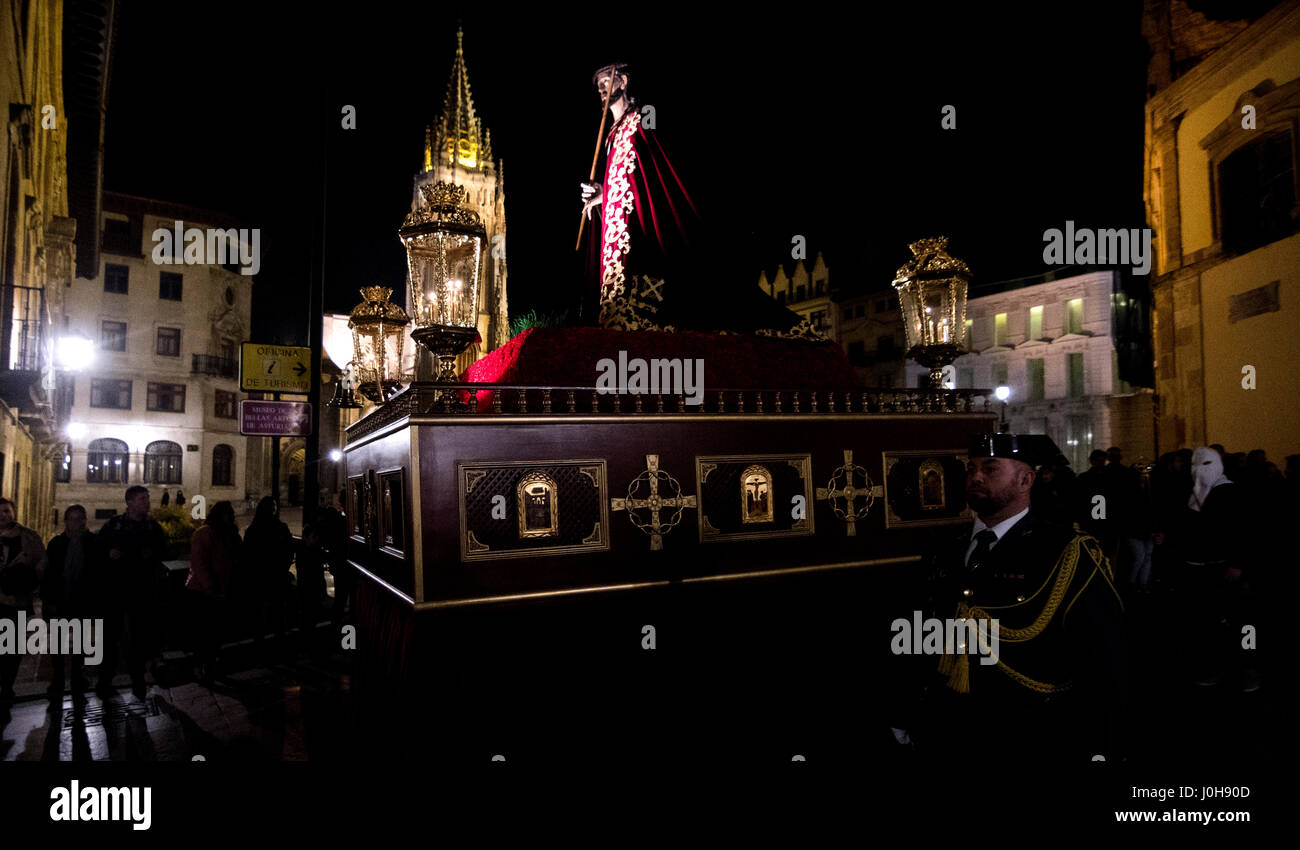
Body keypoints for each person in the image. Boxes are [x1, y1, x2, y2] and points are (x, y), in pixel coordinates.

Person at [901, 434, 1127, 764]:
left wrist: (1103, 743)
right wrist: (904, 709)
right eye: (972, 468)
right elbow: (919, 630)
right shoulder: (945, 546)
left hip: (1032, 732)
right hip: (949, 726)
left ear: (1025, 479)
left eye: (990, 468)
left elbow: (1105, 653)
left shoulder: (1066, 550)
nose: (975, 477)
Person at [577, 63, 803, 335]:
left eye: (606, 81)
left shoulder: (642, 120)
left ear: (623, 81)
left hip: (642, 233)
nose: (601, 90)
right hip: (617, 232)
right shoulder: (611, 135)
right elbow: (621, 182)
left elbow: (653, 178)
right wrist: (603, 194)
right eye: (598, 86)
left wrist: (614, 192)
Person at [1183, 447, 1257, 692]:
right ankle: (1216, 665)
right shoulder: (1196, 494)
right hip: (1202, 570)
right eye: (1195, 465)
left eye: (1204, 464)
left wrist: (1237, 564)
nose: (1198, 470)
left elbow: (1243, 532)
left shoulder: (1231, 493)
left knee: (1242, 621)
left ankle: (1249, 667)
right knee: (1209, 623)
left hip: (1227, 570)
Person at [95, 486, 169, 697]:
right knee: (111, 637)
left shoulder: (152, 527)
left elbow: (164, 552)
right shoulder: (114, 526)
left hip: (142, 592)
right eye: (142, 499)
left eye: (147, 498)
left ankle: (138, 680)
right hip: (116, 591)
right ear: (129, 502)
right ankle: (105, 679)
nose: (147, 502)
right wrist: (109, 554)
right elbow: (99, 551)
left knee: (140, 638)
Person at [43, 505, 97, 699]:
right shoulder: (56, 543)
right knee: (58, 642)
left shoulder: (92, 542)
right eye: (73, 519)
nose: (77, 523)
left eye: (80, 518)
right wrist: (48, 602)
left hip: (82, 600)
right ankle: (57, 679)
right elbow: (48, 574)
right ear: (66, 521)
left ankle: (77, 675)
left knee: (81, 641)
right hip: (61, 599)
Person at [186, 501, 241, 681]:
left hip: (223, 589)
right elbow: (199, 564)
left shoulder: (230, 533)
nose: (230, 516)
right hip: (203, 592)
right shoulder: (204, 533)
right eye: (227, 513)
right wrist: (210, 586)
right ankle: (198, 666)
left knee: (217, 632)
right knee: (203, 632)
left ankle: (211, 664)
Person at [0, 498, 47, 704]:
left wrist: (30, 579)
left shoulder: (28, 537)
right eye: (0, 511)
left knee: (12, 648)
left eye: (7, 511)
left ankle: (7, 686)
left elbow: (42, 564)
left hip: (17, 601)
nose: (4, 515)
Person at [241, 497, 294, 648]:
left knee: (261, 612)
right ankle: (277, 642)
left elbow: (247, 555)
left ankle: (261, 643)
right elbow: (288, 551)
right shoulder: (280, 528)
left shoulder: (253, 530)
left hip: (261, 577)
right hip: (274, 576)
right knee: (276, 610)